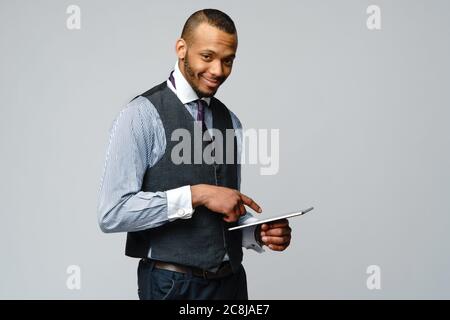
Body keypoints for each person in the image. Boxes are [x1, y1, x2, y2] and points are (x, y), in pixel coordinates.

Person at [97, 8, 292, 300]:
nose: (218, 71)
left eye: (228, 61)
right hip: (173, 285)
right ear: (181, 49)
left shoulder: (231, 121)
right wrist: (197, 194)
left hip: (231, 284)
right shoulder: (141, 115)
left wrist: (257, 233)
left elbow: (221, 214)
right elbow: (113, 213)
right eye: (207, 57)